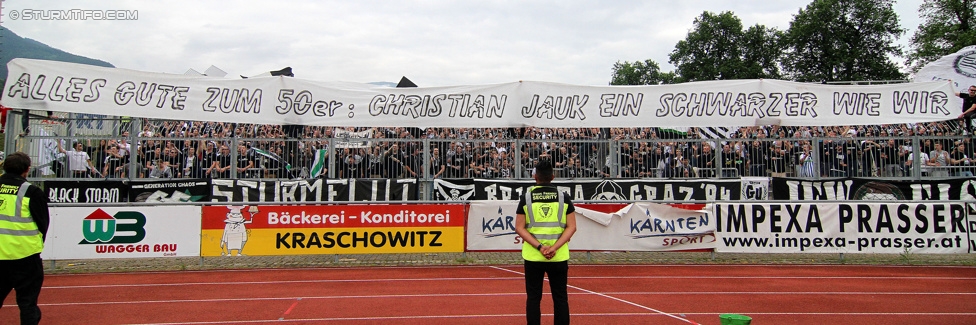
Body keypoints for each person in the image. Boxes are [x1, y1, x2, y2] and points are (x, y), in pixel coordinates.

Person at [514, 159, 577, 325]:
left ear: (535, 177)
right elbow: (572, 227)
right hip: (558, 256)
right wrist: (554, 247)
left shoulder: (526, 198)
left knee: (534, 298)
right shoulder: (564, 198)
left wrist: (540, 247)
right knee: (560, 298)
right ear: (553, 177)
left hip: (534, 256)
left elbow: (519, 228)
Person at [0, 152, 50, 325]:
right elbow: (43, 223)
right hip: (25, 257)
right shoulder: (32, 191)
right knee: (27, 304)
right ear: (27, 170)